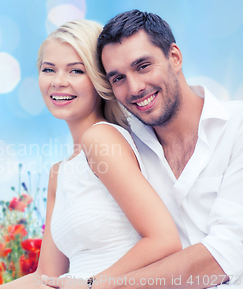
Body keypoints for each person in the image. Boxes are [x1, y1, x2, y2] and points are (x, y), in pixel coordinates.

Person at [43, 10, 243, 289]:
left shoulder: (237, 128)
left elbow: (230, 250)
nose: (135, 87)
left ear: (174, 57)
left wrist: (97, 285)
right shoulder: (127, 144)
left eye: (143, 66)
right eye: (118, 78)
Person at [0, 19, 182, 289]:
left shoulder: (100, 139)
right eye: (49, 69)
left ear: (98, 78)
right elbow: (45, 276)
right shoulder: (59, 173)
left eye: (75, 71)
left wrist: (91, 284)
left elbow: (164, 240)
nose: (58, 82)